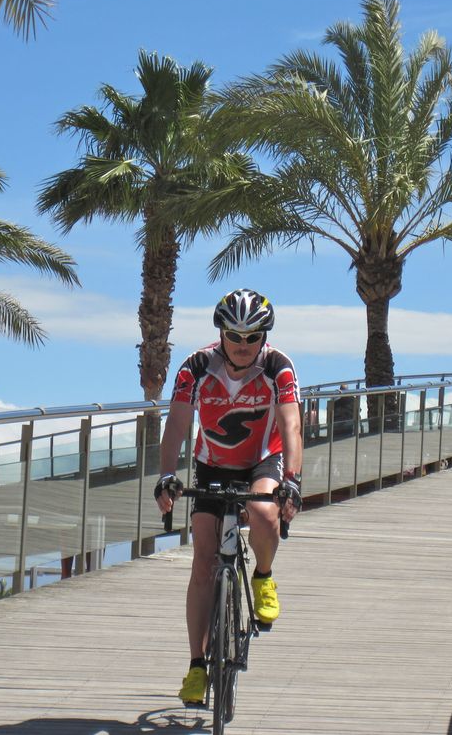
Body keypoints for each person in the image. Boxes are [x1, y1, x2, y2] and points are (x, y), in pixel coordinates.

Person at [154, 288, 303, 707]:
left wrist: (292, 479)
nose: (241, 346)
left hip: (262, 460)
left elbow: (291, 427)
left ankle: (262, 576)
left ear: (264, 337)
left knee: (263, 510)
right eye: (233, 337)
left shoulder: (279, 368)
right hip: (213, 464)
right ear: (220, 333)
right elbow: (178, 424)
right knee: (203, 560)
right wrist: (167, 476)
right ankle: (197, 666)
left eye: (251, 338)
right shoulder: (196, 367)